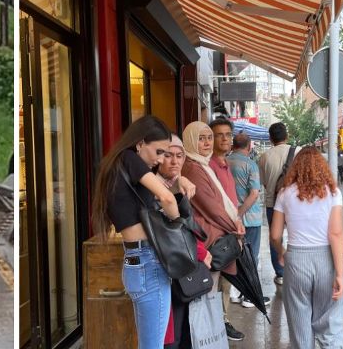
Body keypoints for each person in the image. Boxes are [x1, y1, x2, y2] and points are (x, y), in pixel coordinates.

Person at [90, 115, 184, 349]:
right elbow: (166, 198)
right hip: (148, 262)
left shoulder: (116, 164)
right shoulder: (130, 159)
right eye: (159, 152)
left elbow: (159, 192)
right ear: (140, 143)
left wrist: (177, 183)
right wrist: (179, 225)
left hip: (135, 262)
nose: (161, 160)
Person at [270, 147, 343, 348]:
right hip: (326, 261)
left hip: (296, 260)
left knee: (300, 329)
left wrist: (282, 252)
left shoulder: (285, 193)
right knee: (331, 326)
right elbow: (336, 234)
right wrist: (339, 274)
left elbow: (275, 235)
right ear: (322, 166)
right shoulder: (333, 192)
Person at [182, 119, 246, 342]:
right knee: (205, 294)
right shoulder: (192, 167)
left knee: (213, 293)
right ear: (190, 140)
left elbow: (222, 202)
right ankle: (205, 338)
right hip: (207, 240)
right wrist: (235, 228)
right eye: (202, 138)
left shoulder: (204, 164)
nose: (207, 142)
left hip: (216, 235)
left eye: (209, 137)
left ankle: (211, 337)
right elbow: (211, 206)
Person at [157, 134, 210, 349]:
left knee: (184, 327)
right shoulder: (157, 188)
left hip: (183, 268)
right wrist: (200, 252)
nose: (175, 161)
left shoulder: (178, 184)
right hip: (167, 269)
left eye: (179, 156)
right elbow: (170, 230)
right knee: (172, 332)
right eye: (168, 155)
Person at [227, 132, 269, 309]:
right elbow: (254, 193)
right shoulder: (250, 165)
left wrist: (233, 214)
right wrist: (240, 213)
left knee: (233, 254)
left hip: (227, 217)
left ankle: (235, 292)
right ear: (249, 146)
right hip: (249, 218)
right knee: (250, 257)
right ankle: (249, 295)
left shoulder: (224, 163)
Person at [257, 121, 295, 286]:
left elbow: (264, 183)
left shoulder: (264, 157)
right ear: (287, 136)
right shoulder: (298, 152)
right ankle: (295, 269)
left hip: (273, 203)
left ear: (270, 139)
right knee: (296, 236)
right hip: (296, 204)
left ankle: (280, 273)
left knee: (275, 237)